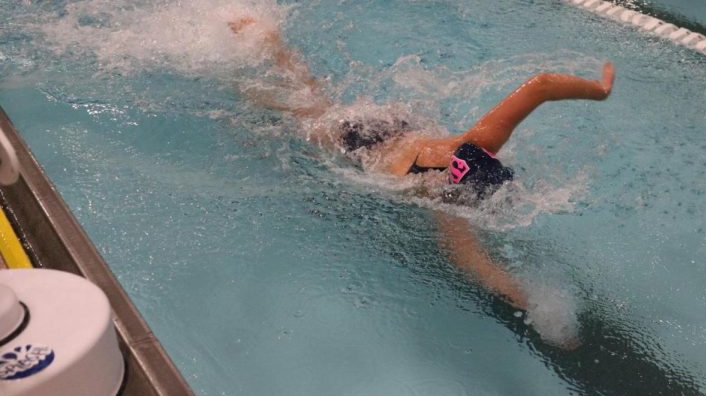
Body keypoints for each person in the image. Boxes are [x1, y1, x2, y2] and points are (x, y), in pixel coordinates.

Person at [230, 17, 614, 343]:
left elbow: (543, 84)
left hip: (393, 122)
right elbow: (473, 264)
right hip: (359, 141)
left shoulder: (476, 142)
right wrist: (538, 310)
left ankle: (270, 41)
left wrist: (600, 91)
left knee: (316, 99)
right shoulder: (450, 201)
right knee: (296, 112)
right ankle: (249, 79)